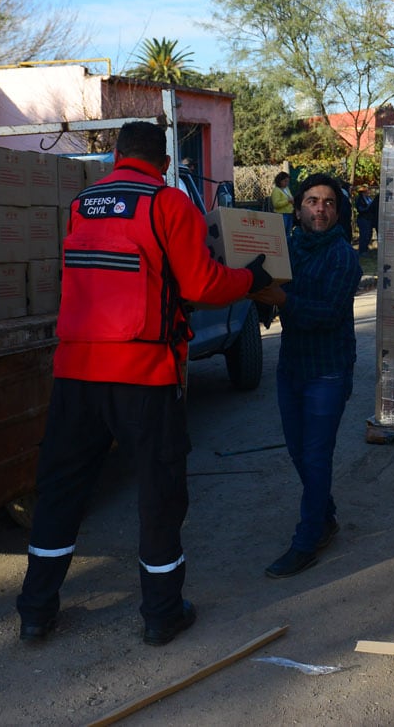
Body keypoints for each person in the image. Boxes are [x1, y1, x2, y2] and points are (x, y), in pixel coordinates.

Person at [15, 121, 273, 647]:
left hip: (75, 373)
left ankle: (36, 611)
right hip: (142, 375)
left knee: (61, 492)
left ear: (115, 154)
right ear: (163, 161)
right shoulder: (169, 203)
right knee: (159, 495)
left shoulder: (84, 203)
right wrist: (253, 280)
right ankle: (161, 614)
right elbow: (201, 285)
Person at [250, 173, 363, 579]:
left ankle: (306, 540)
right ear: (298, 208)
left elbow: (328, 315)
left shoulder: (342, 256)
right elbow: (268, 290)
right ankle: (326, 516)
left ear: (338, 211)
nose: (320, 208)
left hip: (327, 371)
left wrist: (281, 299)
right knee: (299, 452)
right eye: (312, 201)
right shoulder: (288, 247)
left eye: (329, 202)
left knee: (316, 457)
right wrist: (255, 289)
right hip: (292, 367)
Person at [354, 184, 378, 254]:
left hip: (369, 219)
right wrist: (368, 208)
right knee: (364, 235)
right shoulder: (359, 199)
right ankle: (362, 250)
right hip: (363, 219)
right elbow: (360, 209)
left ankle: (365, 249)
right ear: (363, 192)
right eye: (367, 191)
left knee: (369, 235)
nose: (368, 192)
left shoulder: (369, 198)